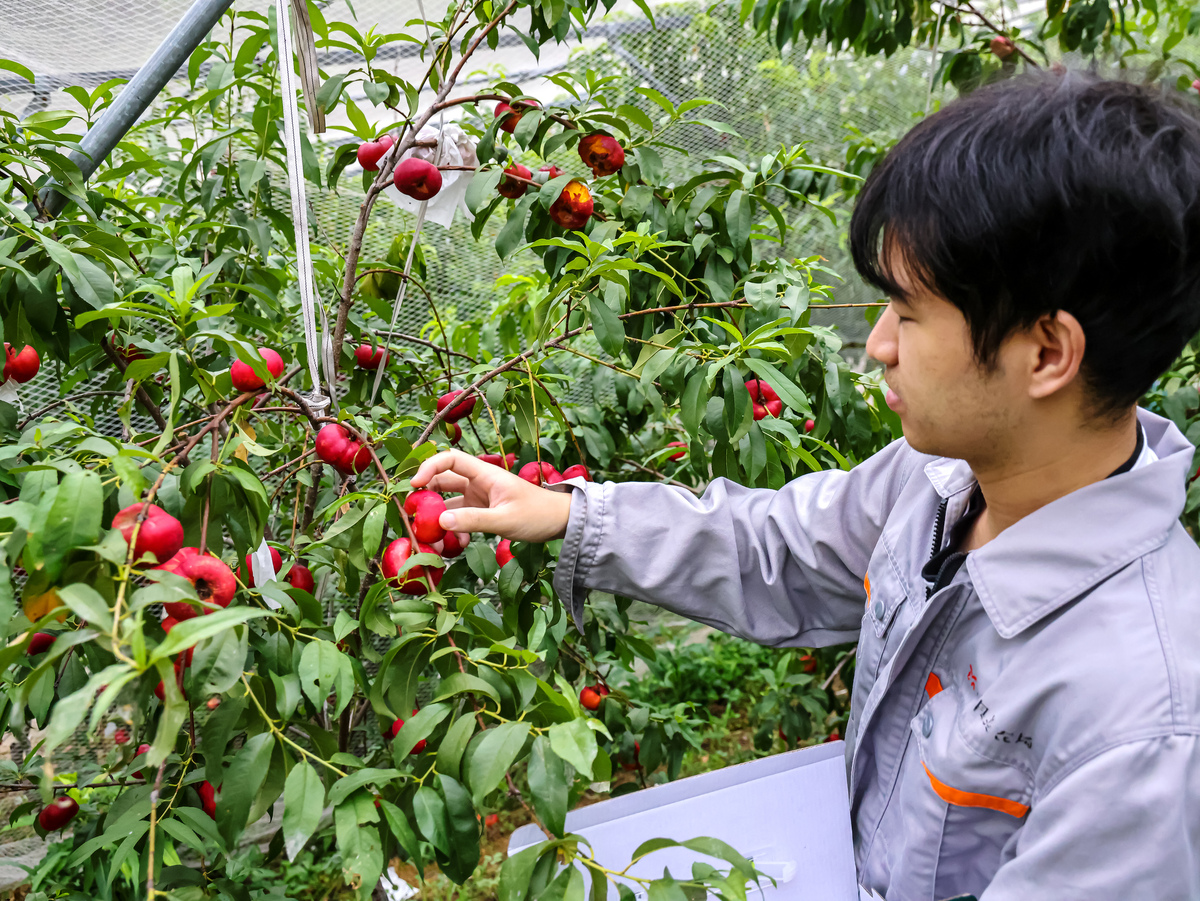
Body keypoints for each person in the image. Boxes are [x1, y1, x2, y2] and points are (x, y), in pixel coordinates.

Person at [412, 69, 1200, 900]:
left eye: (908, 310)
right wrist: (572, 515)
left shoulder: (1144, 728)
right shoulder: (942, 481)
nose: (879, 346)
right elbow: (782, 546)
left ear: (1045, 353)